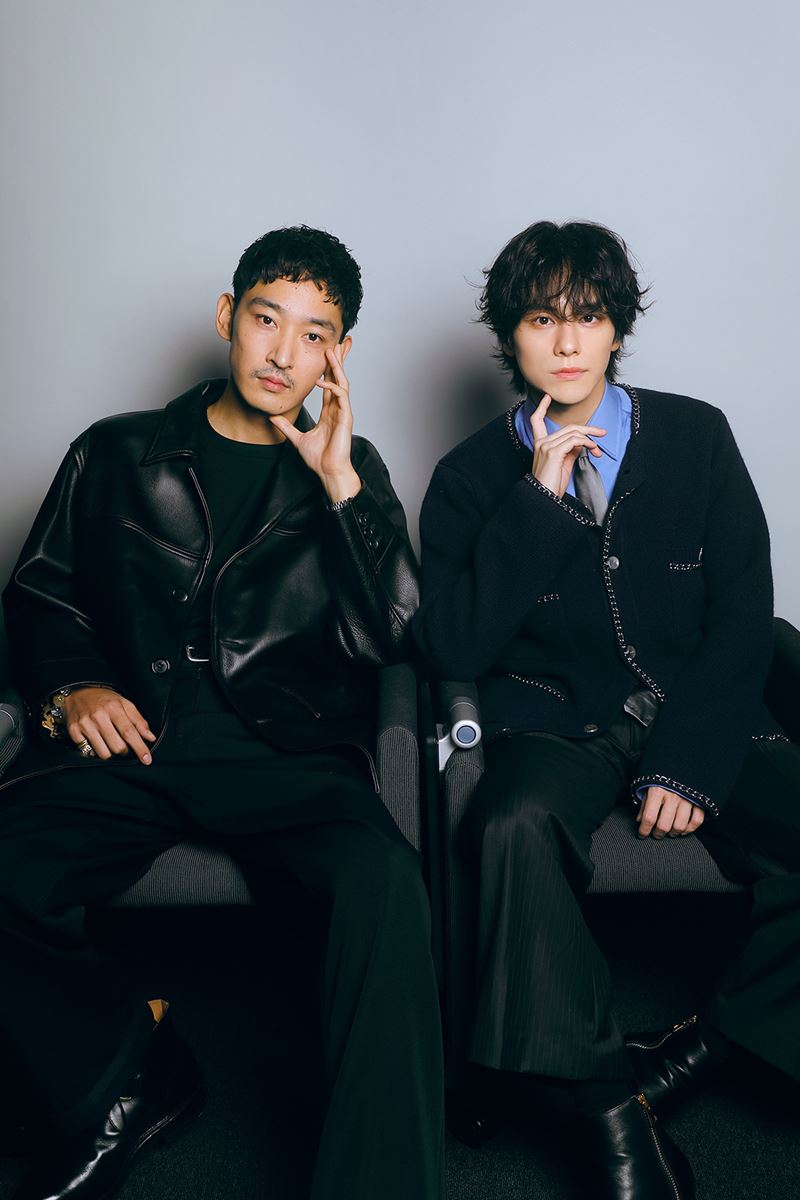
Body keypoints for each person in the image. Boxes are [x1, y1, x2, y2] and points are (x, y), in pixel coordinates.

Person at [0, 225, 444, 1200]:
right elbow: (39, 598)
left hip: (289, 751)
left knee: (385, 886)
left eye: (313, 334)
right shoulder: (116, 452)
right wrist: (74, 686)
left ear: (339, 354)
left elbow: (400, 637)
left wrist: (340, 485)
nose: (283, 353)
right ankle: (122, 1076)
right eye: (265, 320)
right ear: (225, 318)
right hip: (140, 740)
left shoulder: (351, 470)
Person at [413, 219, 799, 1199]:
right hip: (556, 720)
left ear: (616, 328)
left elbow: (744, 611)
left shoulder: (697, 436)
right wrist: (537, 505)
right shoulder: (467, 477)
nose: (567, 341)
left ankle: (701, 1050)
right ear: (511, 334)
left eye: (587, 317)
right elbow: (450, 648)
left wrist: (689, 760)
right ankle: (610, 1107)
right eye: (541, 319)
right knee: (507, 826)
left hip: (698, 707)